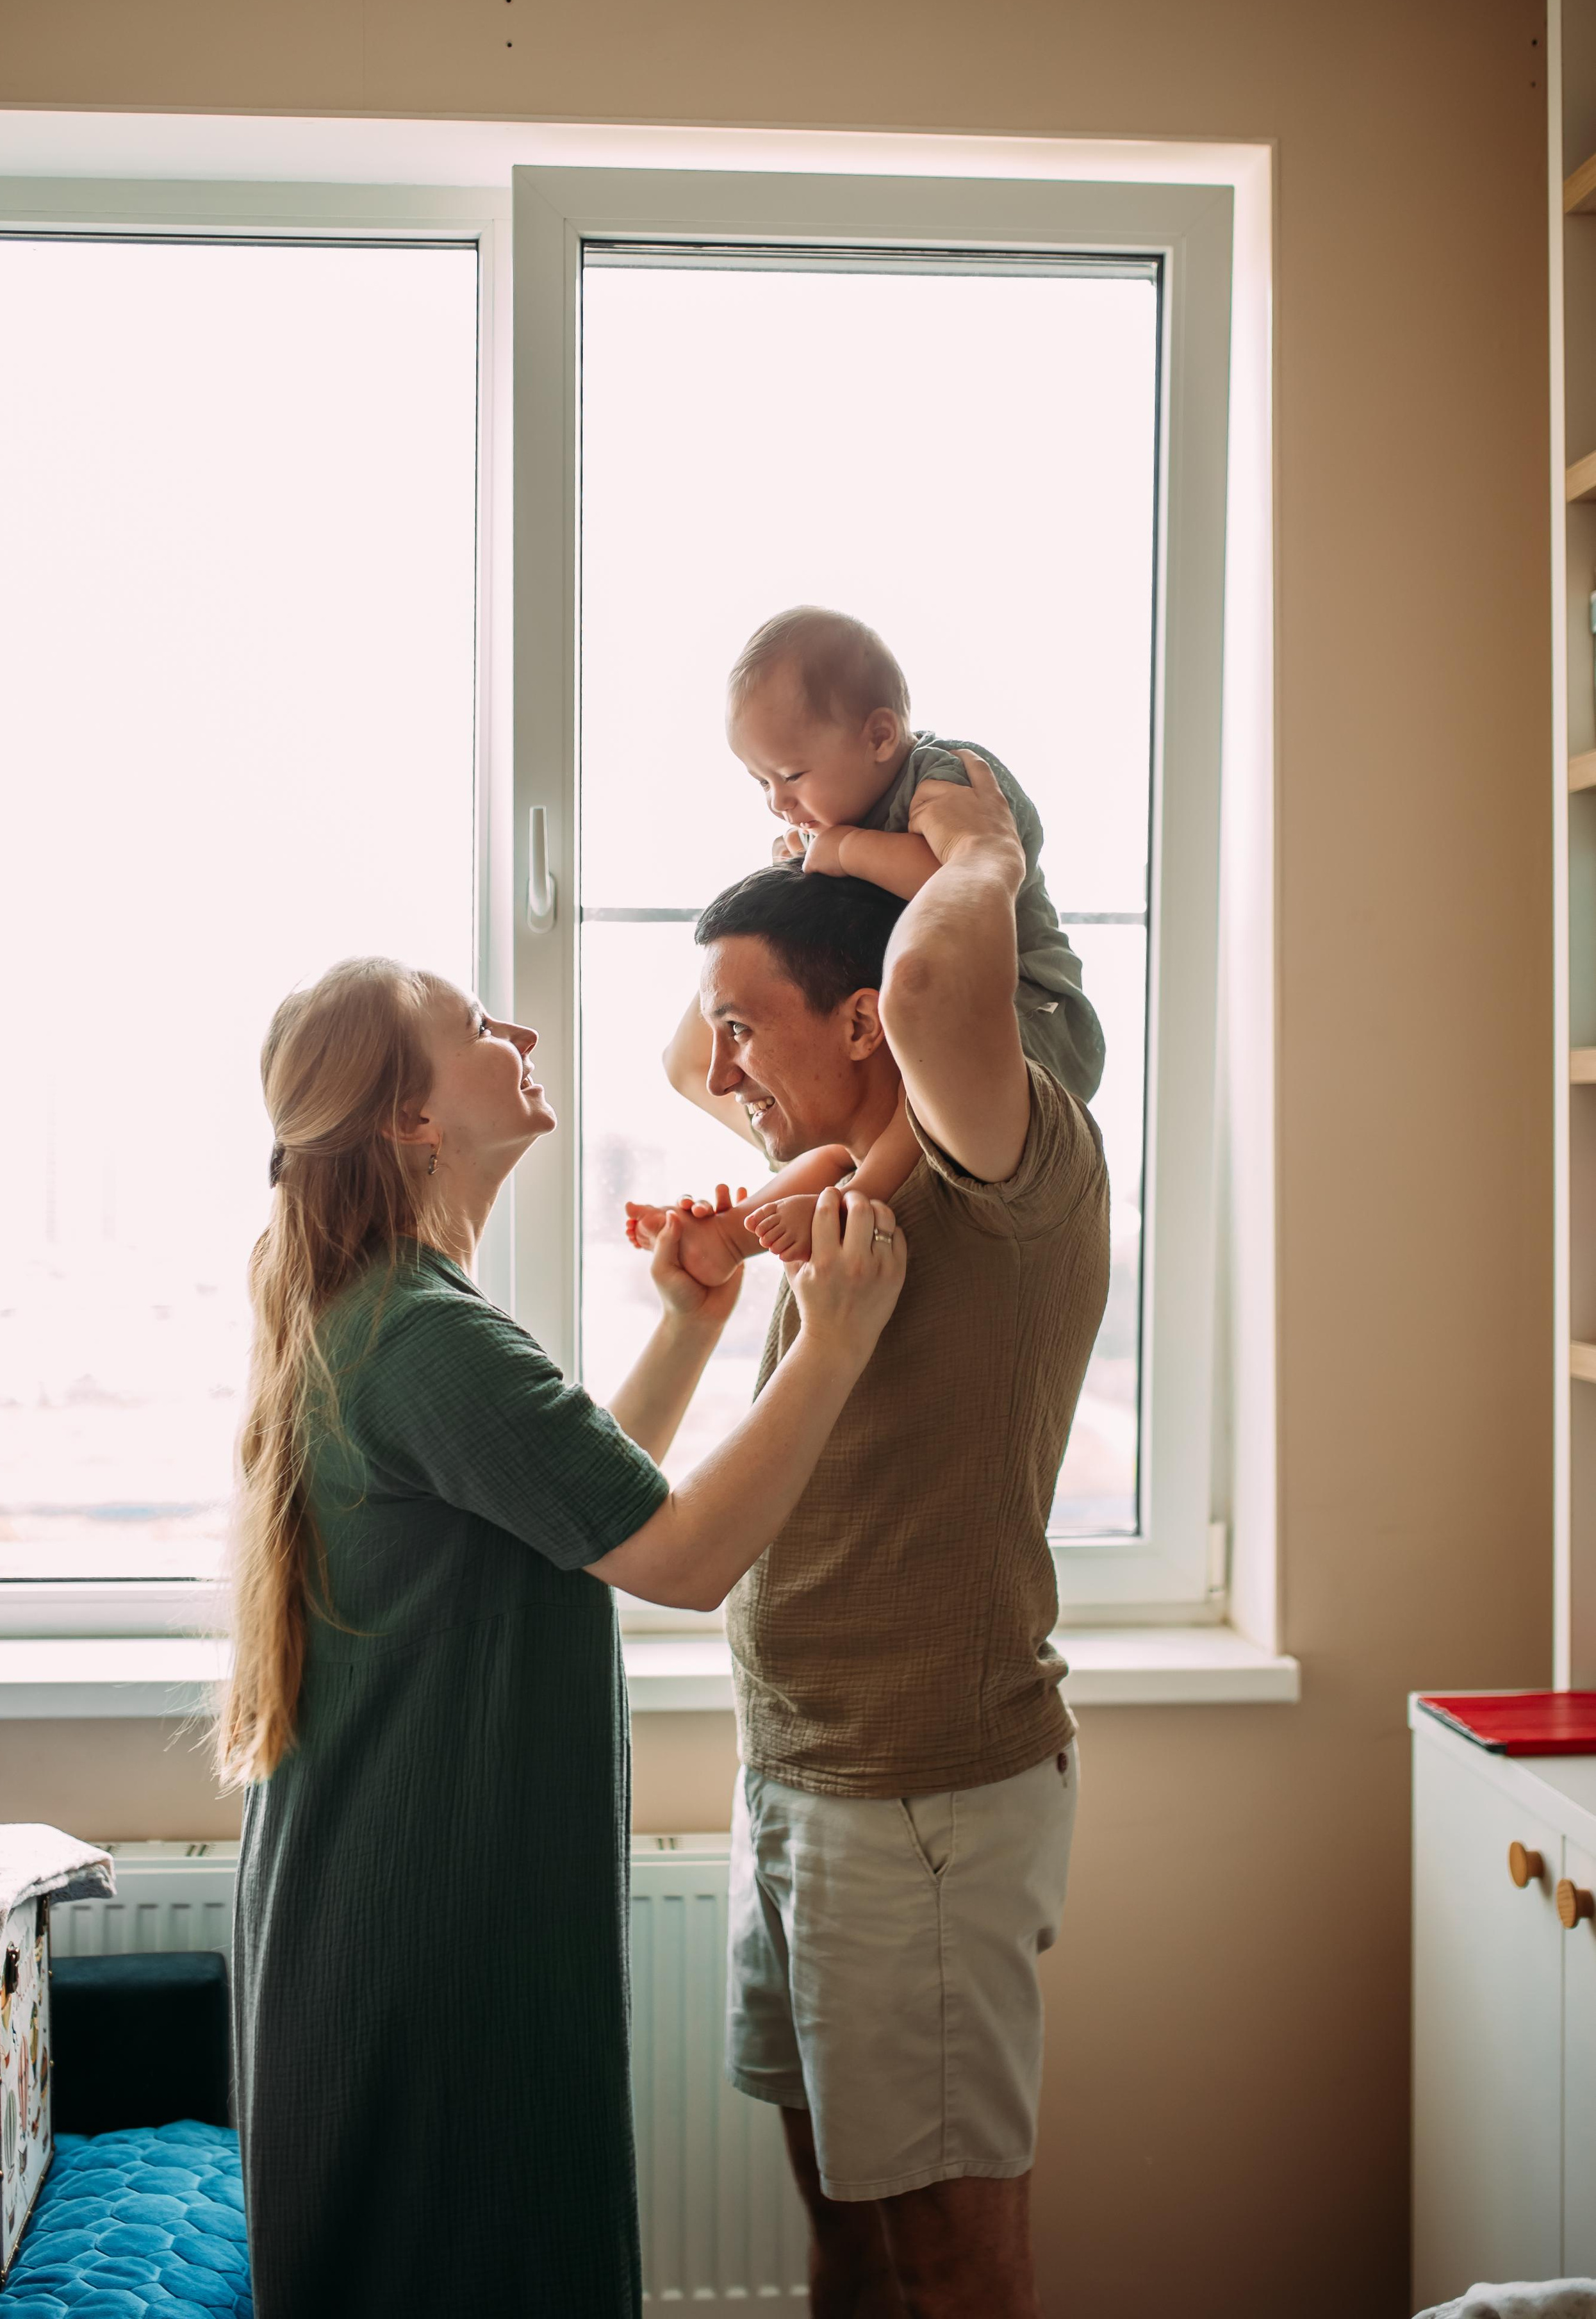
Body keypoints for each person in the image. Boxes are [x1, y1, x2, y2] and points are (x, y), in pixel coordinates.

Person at [219, 955, 905, 2319]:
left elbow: (572, 1519)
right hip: (431, 1940)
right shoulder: (422, 1336)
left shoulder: (407, 1318)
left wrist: (692, 1320)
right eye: (477, 1028)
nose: (518, 1032)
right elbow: (686, 1560)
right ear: (412, 1121)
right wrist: (829, 1344)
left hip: (409, 1913)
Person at [632, 756, 1110, 2319]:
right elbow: (684, 1045)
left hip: (923, 1798)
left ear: (867, 1022)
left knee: (947, 2265)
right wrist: (800, 887)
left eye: (746, 1026)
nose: (718, 1072)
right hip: (797, 1772)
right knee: (840, 2234)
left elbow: (923, 983)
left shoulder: (1001, 1157)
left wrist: (964, 845)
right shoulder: (827, 1165)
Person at [643, 603, 1103, 1271]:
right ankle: (738, 1236)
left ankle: (855, 1198)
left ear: (880, 736)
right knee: (856, 1136)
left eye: (792, 776)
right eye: (761, 783)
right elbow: (685, 1063)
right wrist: (803, 873)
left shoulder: (944, 778)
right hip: (932, 1039)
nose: (778, 801)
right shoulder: (848, 825)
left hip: (1033, 1017)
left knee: (898, 1108)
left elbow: (956, 885)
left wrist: (845, 850)